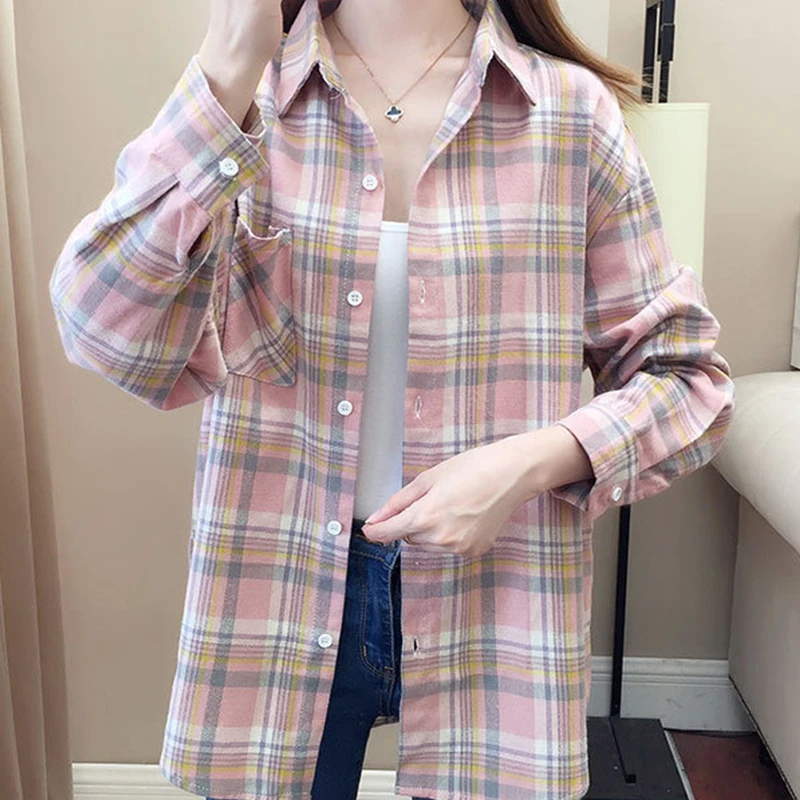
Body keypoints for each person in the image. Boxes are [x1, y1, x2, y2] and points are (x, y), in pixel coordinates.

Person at [48, 0, 735, 797]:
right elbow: (98, 325)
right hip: (281, 583)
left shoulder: (570, 116)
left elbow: (687, 381)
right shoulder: (246, 100)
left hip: (499, 593)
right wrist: (226, 69)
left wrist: (527, 463)